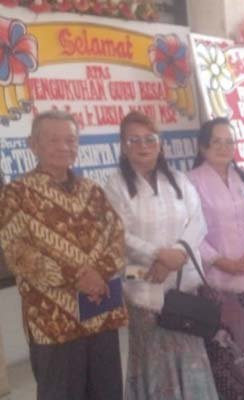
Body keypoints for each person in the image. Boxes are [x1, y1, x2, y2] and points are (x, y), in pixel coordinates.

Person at [0, 110, 127, 400]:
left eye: (70, 140)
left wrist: (100, 273)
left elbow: (117, 236)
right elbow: (17, 253)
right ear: (33, 145)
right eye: (53, 140)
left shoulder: (92, 191)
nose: (63, 147)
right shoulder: (16, 194)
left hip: (100, 311)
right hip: (53, 321)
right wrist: (75, 277)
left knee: (107, 392)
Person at [103, 111, 218, 400]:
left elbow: (198, 222)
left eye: (150, 139)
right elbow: (118, 233)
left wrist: (176, 254)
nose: (143, 146)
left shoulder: (179, 180)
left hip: (183, 286)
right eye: (134, 140)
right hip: (142, 283)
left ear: (160, 143)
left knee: (190, 359)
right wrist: (158, 254)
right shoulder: (116, 185)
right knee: (153, 361)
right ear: (124, 146)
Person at [187, 118, 244, 400]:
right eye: (216, 142)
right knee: (222, 348)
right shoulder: (191, 181)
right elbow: (190, 230)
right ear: (203, 147)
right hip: (214, 283)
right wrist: (222, 262)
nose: (224, 147)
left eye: (229, 142)